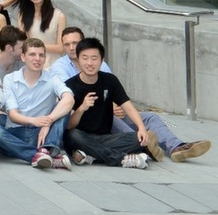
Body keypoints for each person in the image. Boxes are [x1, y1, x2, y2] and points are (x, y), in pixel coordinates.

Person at [0, 38, 74, 169]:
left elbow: (69, 99)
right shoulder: (10, 79)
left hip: (41, 135)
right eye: (32, 54)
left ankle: (45, 149)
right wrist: (34, 121)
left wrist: (48, 121)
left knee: (62, 107)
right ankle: (43, 157)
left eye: (41, 55)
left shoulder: (52, 78)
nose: (37, 59)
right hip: (16, 132)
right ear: (23, 57)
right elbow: (12, 115)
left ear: (45, 58)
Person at [64, 37, 155, 169]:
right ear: (78, 60)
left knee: (138, 139)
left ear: (101, 61)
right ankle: (121, 159)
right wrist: (82, 108)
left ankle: (92, 155)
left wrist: (141, 127)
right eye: (85, 58)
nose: (89, 63)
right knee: (73, 136)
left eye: (94, 58)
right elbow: (69, 126)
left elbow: (128, 107)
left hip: (105, 137)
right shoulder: (70, 86)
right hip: (80, 137)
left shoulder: (110, 80)